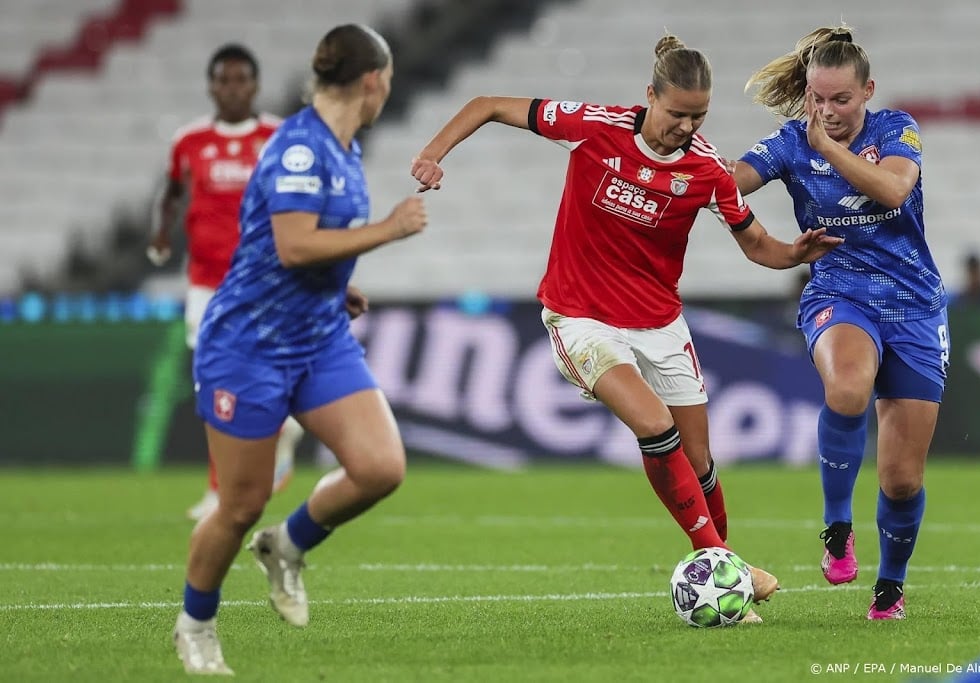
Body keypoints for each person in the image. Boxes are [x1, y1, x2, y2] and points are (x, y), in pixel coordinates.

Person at [411, 33, 842, 624]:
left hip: (661, 324)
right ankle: (720, 563)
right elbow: (486, 103)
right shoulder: (594, 125)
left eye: (698, 116)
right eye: (675, 114)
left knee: (700, 461)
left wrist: (796, 253)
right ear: (650, 97)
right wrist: (435, 153)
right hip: (581, 317)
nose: (685, 127)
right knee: (654, 426)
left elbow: (758, 245)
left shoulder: (707, 170)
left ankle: (727, 575)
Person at [172, 24, 428, 675]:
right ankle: (195, 624)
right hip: (250, 346)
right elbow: (292, 243)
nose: (387, 92)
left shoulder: (345, 146)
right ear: (373, 80)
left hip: (317, 335)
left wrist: (341, 285)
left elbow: (289, 241)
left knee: (380, 466)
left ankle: (286, 545)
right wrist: (387, 230)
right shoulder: (300, 148)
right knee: (238, 503)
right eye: (388, 82)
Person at [733, 26, 949, 620]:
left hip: (914, 305)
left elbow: (895, 190)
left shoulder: (895, 129)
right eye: (816, 99)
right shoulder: (788, 142)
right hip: (838, 291)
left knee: (902, 480)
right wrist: (667, 160)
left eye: (840, 100)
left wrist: (828, 149)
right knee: (848, 387)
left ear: (867, 92)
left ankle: (890, 588)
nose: (826, 112)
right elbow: (726, 183)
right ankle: (836, 526)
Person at [148, 43, 301, 521]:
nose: (232, 88)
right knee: (212, 381)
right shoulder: (189, 140)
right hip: (206, 283)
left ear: (254, 85)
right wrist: (160, 233)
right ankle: (220, 488)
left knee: (264, 374)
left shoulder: (279, 136)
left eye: (241, 79)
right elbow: (172, 191)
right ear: (212, 86)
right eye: (223, 80)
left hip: (264, 281)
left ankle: (283, 429)